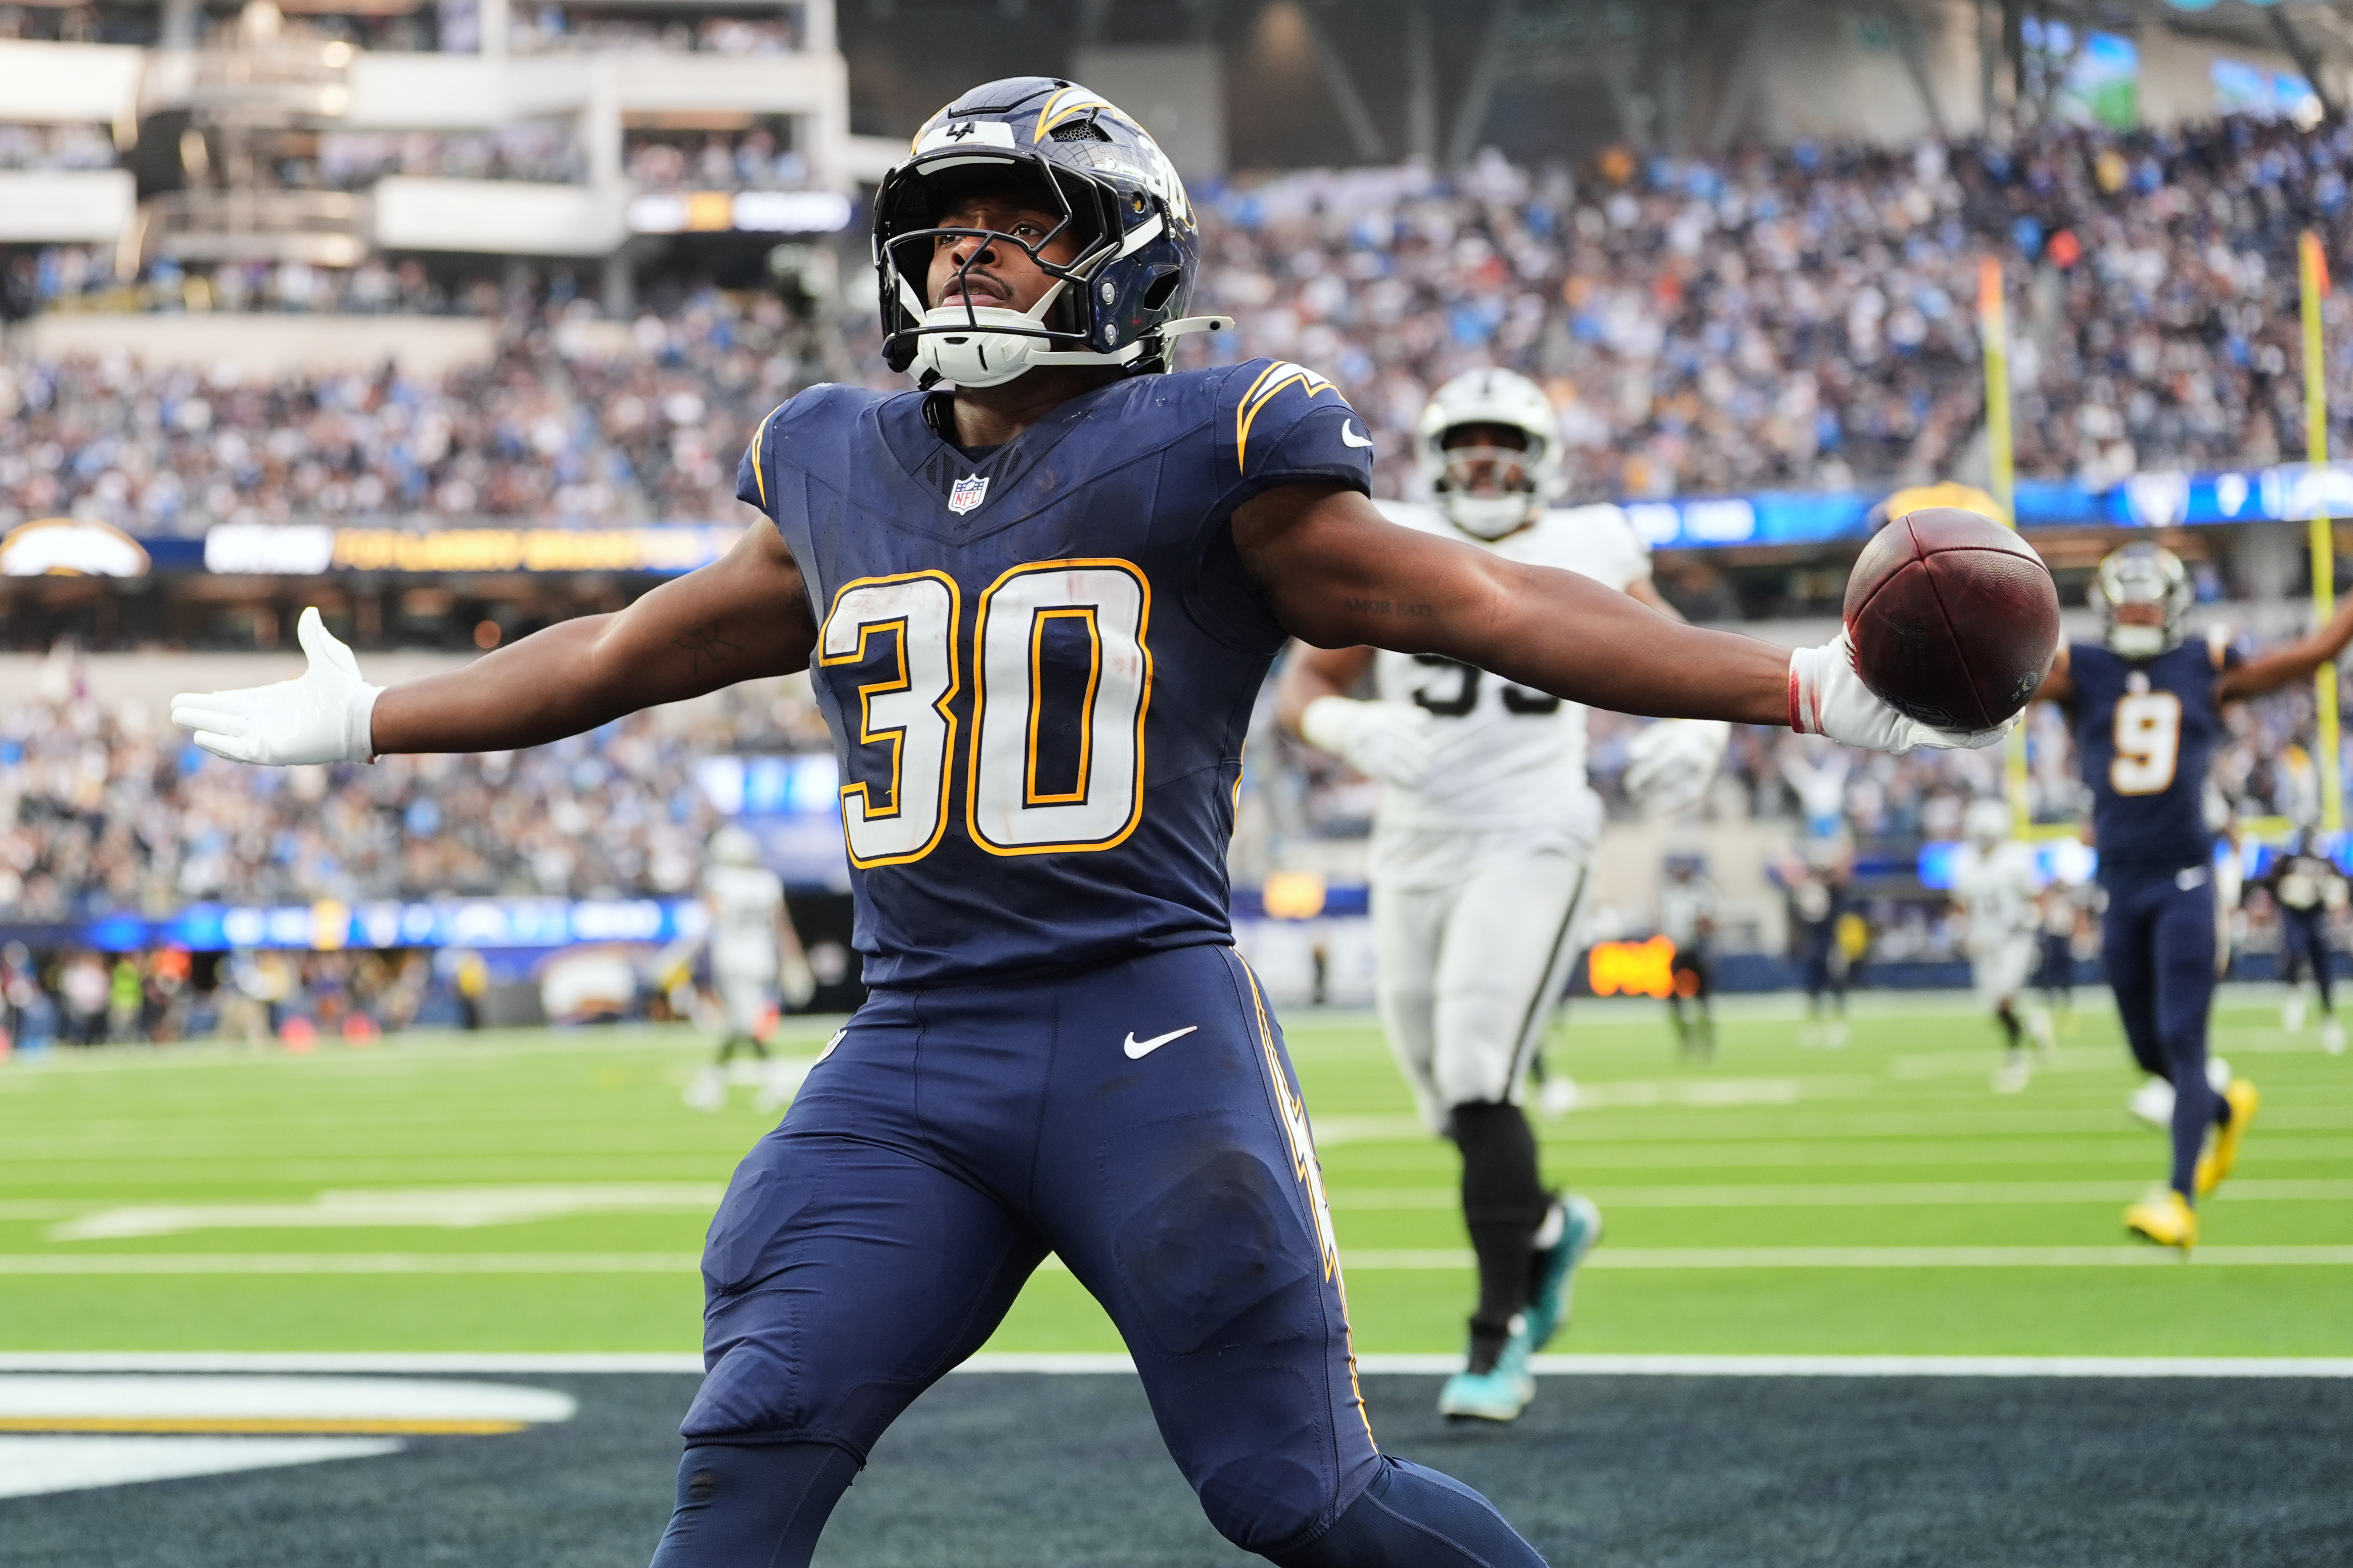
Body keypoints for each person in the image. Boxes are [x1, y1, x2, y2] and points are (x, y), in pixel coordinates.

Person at [170, 77, 2002, 1568]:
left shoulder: (1216, 448)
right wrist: (375, 716)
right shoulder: (834, 459)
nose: (965, 253)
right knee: (749, 1429)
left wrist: (1787, 686)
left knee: (1295, 1493)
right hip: (912, 1051)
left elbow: (1483, 603)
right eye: (942, 227)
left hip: (1146, 1031)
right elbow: (627, 651)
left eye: (1015, 226)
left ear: (1115, 260)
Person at [1273, 366, 1727, 1423]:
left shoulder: (1589, 541)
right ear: (1434, 457)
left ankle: (1497, 1337)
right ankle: (1547, 1226)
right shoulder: (1390, 539)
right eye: (1466, 444)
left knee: (1482, 1075)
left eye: (1504, 445)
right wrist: (1339, 726)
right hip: (1413, 842)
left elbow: (1678, 652)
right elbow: (1304, 682)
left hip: (1531, 829)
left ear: (1543, 460)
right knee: (1445, 1100)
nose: (1484, 465)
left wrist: (1699, 726)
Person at [2036, 541, 2353, 1249]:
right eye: (2129, 600)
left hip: (2184, 876)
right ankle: (2220, 1107)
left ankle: (2177, 1198)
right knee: (2146, 1050)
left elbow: (2307, 656)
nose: (2139, 611)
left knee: (2182, 1037)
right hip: (2118, 882)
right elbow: (2006, 685)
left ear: (2175, 604)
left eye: (2150, 599)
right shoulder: (2081, 670)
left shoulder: (2203, 668)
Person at [682, 824, 818, 1112]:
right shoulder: (766, 882)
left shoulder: (719, 879)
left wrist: (684, 957)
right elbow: (782, 926)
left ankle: (773, 1080)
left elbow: (707, 921)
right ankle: (714, 1084)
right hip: (761, 960)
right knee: (740, 1022)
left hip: (732, 960)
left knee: (745, 1024)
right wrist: (794, 959)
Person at [1949, 797, 2051, 1093]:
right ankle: (2033, 1025)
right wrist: (1963, 929)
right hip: (1986, 941)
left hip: (2015, 939)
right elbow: (1962, 902)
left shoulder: (2016, 858)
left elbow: (2037, 895)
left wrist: (2034, 918)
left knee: (2005, 998)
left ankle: (2015, 1060)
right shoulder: (1966, 860)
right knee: (1994, 1009)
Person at [2264, 831, 2347, 1054]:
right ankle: (2294, 994)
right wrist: (2286, 892)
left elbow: (2340, 885)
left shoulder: (2326, 860)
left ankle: (2329, 1019)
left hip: (2316, 916)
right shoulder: (2290, 859)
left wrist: (2329, 893)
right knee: (2294, 953)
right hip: (2295, 915)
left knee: (2323, 970)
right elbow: (2273, 880)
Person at [1658, 852, 1721, 1061]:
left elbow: (1711, 922)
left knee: (1702, 1000)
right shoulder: (1668, 893)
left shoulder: (1701, 891)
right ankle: (1686, 1038)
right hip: (1677, 949)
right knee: (1673, 999)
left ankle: (1707, 1040)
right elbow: (1661, 920)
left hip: (1696, 948)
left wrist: (1701, 926)